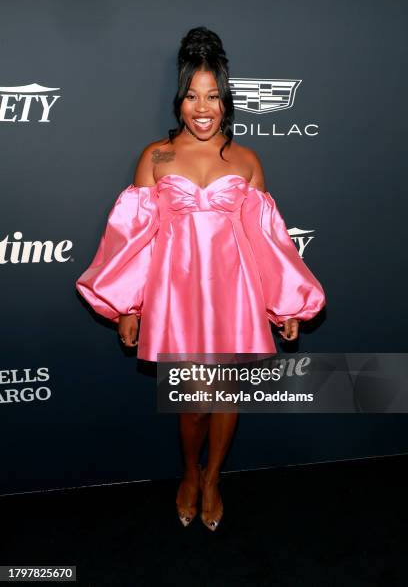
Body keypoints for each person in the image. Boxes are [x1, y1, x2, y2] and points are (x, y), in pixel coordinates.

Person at [75, 26, 326, 531]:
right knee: (193, 404)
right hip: (177, 296)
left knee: (226, 396)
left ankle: (214, 480)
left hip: (235, 294)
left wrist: (285, 305)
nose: (203, 107)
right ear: (179, 100)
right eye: (192, 96)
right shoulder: (157, 156)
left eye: (212, 95)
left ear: (226, 99)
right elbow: (132, 239)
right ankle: (189, 473)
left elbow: (267, 241)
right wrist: (128, 305)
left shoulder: (247, 160)